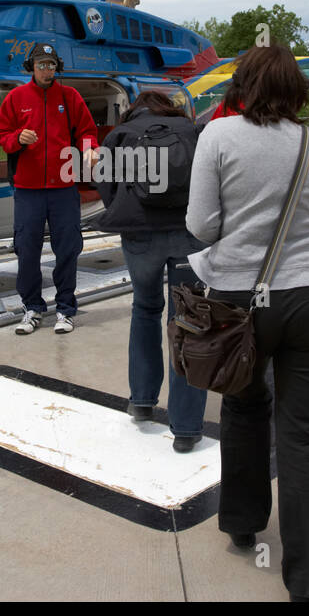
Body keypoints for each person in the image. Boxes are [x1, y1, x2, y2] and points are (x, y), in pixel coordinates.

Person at [185, 44, 309, 602]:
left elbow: (202, 225)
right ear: (298, 89)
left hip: (238, 302)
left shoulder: (219, 136)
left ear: (243, 86)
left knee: (244, 407)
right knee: (304, 438)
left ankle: (242, 518)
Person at [93, 90, 209, 452]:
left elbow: (105, 184)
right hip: (187, 234)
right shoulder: (190, 130)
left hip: (140, 235)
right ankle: (187, 427)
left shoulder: (121, 134)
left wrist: (128, 211)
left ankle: (142, 400)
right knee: (188, 320)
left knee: (145, 310)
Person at [0, 42, 98, 335]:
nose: (46, 70)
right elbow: (2, 135)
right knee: (27, 249)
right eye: (41, 64)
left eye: (51, 65)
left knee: (68, 249)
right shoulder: (16, 98)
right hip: (28, 189)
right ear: (32, 67)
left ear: (57, 67)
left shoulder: (70, 96)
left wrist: (89, 149)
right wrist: (18, 138)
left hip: (64, 188)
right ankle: (32, 308)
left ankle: (65, 309)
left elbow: (87, 131)